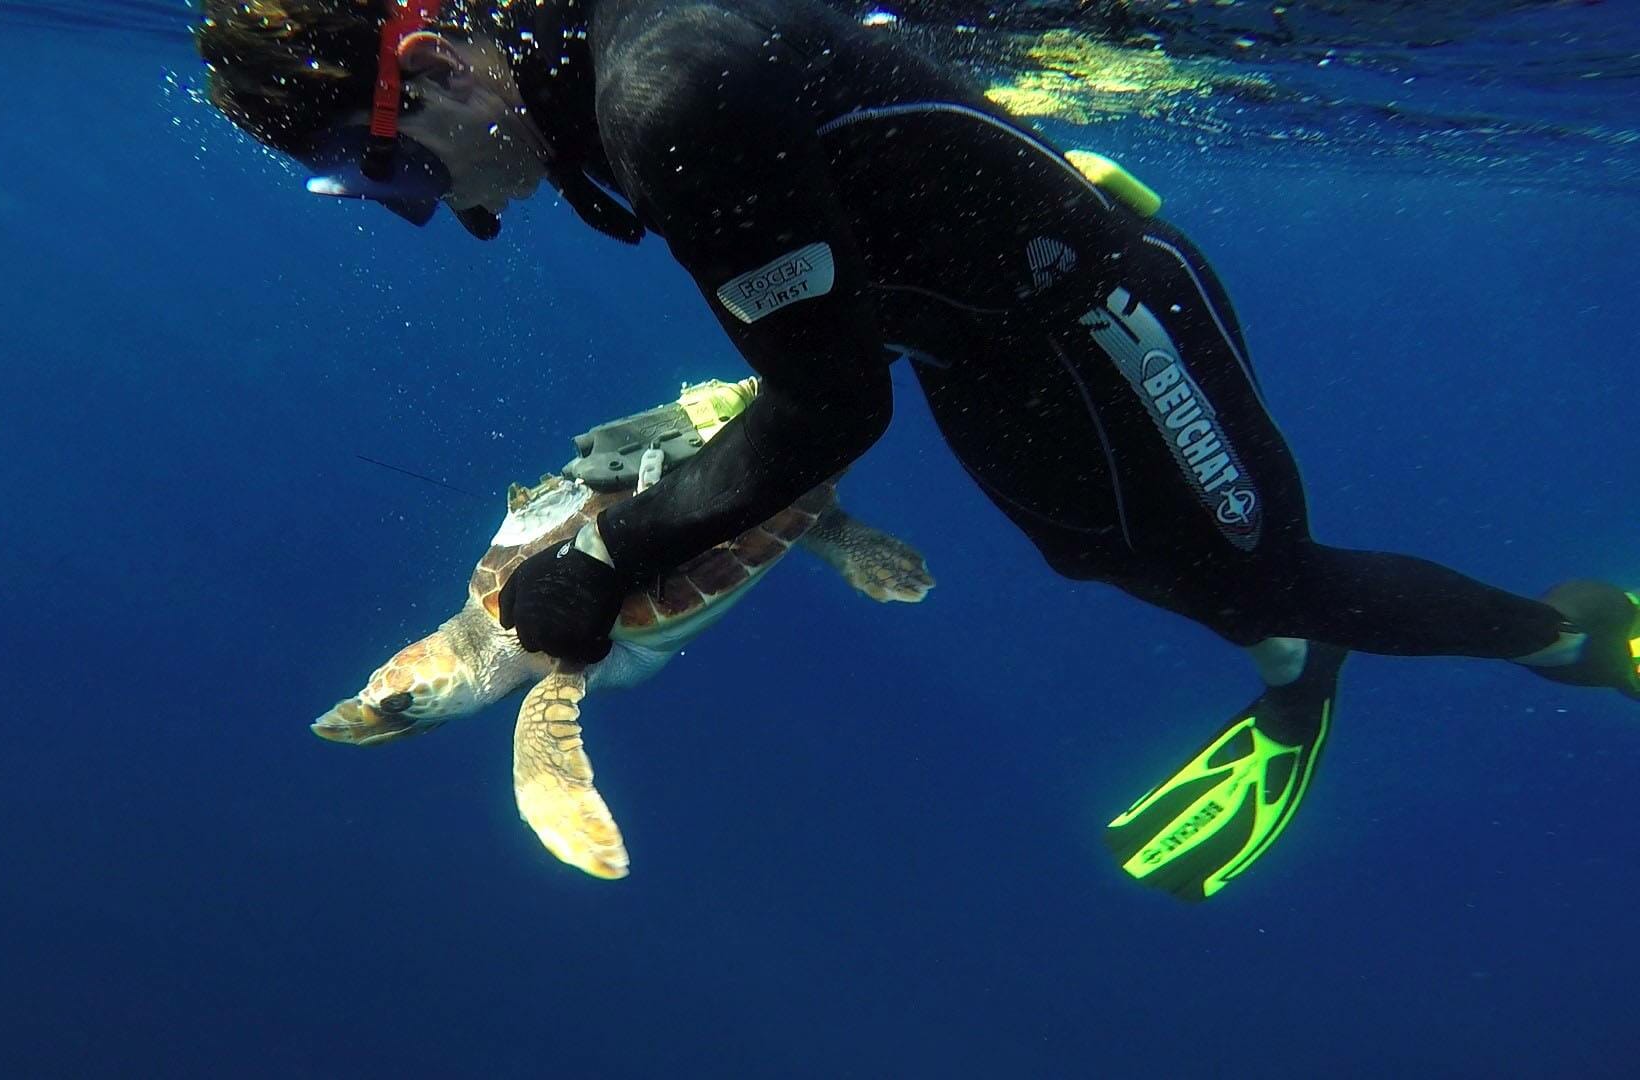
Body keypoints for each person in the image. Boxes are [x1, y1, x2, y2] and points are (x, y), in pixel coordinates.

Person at [193, 0, 1639, 899]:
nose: (433, 208)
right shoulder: (572, 70)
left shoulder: (661, 95)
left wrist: (606, 563)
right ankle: (1277, 634)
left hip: (1093, 312)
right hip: (959, 331)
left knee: (1267, 577)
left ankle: (1578, 640)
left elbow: (830, 414)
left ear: (435, 66)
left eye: (397, 170)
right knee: (1092, 550)